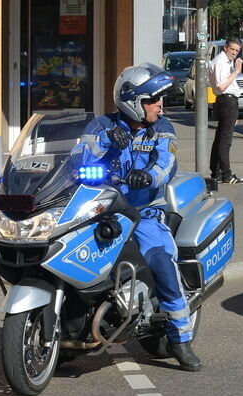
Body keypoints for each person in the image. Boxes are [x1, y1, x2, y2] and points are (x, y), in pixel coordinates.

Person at [77, 63, 202, 372]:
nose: (159, 105)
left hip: (144, 215)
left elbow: (167, 164)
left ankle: (180, 340)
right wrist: (106, 144)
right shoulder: (101, 126)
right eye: (152, 100)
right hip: (100, 211)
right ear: (134, 102)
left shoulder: (162, 128)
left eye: (159, 100)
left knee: (161, 262)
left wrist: (146, 177)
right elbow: (78, 159)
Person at [209, 37, 243, 184]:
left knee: (220, 138)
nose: (234, 53)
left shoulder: (225, 62)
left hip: (228, 101)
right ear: (225, 47)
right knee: (225, 140)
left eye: (237, 51)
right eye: (232, 49)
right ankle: (226, 174)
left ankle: (216, 172)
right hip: (226, 101)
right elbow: (221, 87)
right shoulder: (221, 62)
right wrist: (236, 71)